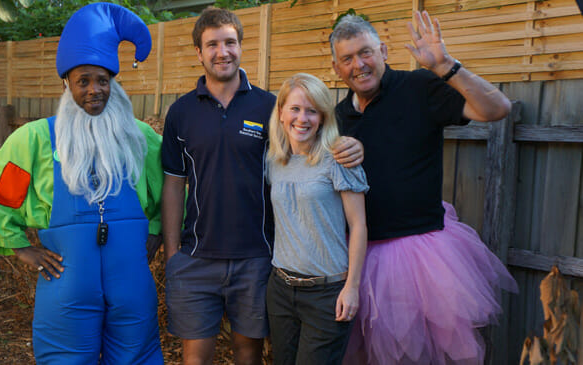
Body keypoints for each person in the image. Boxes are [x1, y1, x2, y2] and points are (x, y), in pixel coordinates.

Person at [0, 3, 164, 364]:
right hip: (66, 292)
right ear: (66, 83)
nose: (94, 91)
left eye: (103, 80)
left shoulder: (140, 138)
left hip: (132, 288)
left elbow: (171, 193)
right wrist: (21, 248)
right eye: (83, 81)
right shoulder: (36, 140)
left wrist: (156, 231)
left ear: (113, 83)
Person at [161, 7, 364, 365]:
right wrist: (173, 250)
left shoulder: (270, 106)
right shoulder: (180, 112)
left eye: (230, 42)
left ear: (241, 46)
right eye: (212, 44)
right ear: (199, 52)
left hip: (256, 257)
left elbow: (309, 141)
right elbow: (175, 185)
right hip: (196, 257)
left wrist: (351, 144)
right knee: (194, 357)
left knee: (249, 352)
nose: (222, 52)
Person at [329, 12, 519, 365]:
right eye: (347, 58)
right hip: (357, 258)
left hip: (419, 258)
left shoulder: (420, 87)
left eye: (366, 52)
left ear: (383, 50)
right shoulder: (337, 117)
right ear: (336, 68)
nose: (359, 64)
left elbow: (498, 109)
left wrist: (446, 65)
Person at [265, 73, 369, 365]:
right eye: (295, 109)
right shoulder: (273, 160)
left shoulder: (338, 158)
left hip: (326, 293)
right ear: (281, 112)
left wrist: (352, 287)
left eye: (312, 111)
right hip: (281, 288)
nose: (303, 118)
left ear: (323, 118)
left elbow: (359, 225)